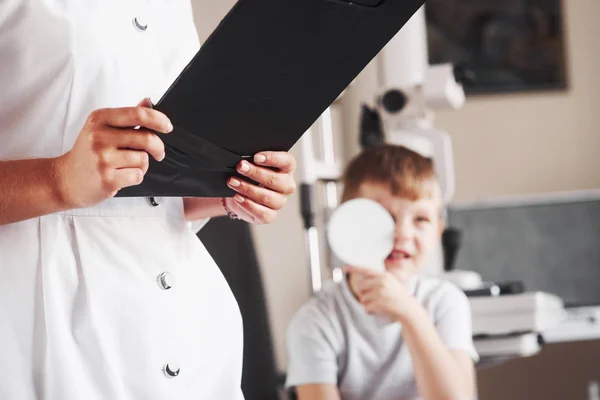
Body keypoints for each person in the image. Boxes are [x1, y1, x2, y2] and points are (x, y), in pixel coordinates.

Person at [0, 2, 296, 399]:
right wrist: (58, 180)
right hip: (42, 337)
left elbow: (148, 186)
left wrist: (228, 188)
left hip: (191, 338)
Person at [285, 145, 478, 400]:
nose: (403, 234)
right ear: (349, 224)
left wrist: (410, 314)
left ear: (437, 232)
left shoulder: (445, 302)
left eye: (420, 219)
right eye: (384, 216)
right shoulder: (316, 321)